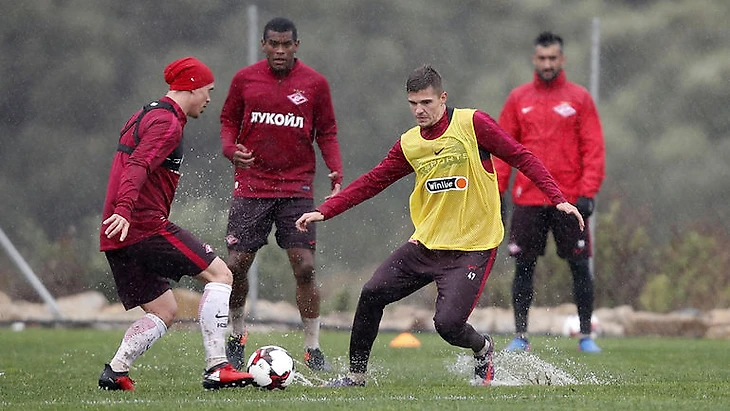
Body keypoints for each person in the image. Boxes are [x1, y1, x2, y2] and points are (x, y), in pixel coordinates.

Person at [295, 65, 585, 387]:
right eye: (413, 103)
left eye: (427, 103)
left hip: (472, 248)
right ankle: (356, 376)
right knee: (372, 293)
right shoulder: (409, 144)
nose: (419, 110)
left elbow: (521, 156)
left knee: (447, 325)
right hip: (426, 245)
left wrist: (556, 197)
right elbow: (373, 181)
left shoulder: (471, 124)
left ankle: (483, 348)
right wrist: (326, 210)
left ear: (443, 98)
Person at [98, 56, 254, 391]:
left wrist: (121, 212)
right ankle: (217, 366)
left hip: (116, 234)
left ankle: (115, 371)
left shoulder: (145, 113)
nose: (210, 99)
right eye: (208, 91)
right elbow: (138, 164)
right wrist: (125, 209)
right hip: (141, 225)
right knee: (221, 274)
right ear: (193, 87)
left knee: (164, 310)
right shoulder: (168, 123)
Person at [219, 17, 343, 372]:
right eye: (274, 44)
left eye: (286, 44)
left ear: (296, 46)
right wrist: (231, 149)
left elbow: (328, 131)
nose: (280, 51)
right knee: (236, 265)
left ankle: (312, 347)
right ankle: (237, 334)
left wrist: (335, 168)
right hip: (252, 186)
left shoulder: (315, 84)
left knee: (304, 267)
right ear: (264, 45)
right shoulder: (245, 79)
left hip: (297, 188)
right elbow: (227, 120)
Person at [494, 32, 606, 353]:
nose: (547, 64)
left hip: (569, 200)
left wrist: (588, 192)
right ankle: (521, 336)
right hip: (527, 198)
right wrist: (498, 191)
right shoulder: (518, 99)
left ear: (562, 60)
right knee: (523, 266)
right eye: (541, 59)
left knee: (579, 266)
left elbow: (594, 148)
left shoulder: (579, 98)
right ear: (534, 60)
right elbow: (503, 150)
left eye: (552, 58)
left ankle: (586, 335)